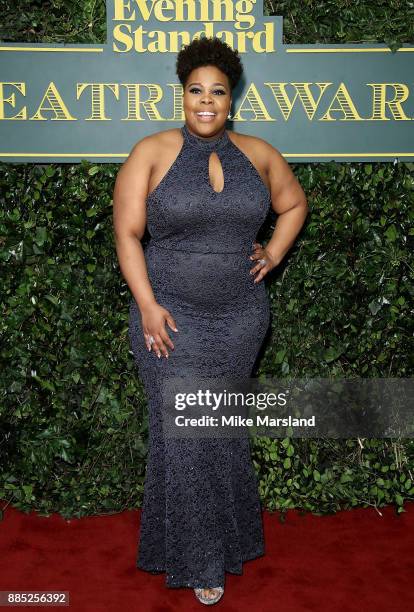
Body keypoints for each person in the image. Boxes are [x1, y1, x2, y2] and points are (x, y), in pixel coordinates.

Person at [113, 36, 308, 605]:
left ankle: (224, 540)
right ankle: (202, 561)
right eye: (196, 90)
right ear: (182, 94)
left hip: (242, 318)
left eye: (217, 92)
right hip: (170, 316)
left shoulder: (259, 153)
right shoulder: (150, 151)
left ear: (231, 99)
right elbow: (127, 234)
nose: (206, 101)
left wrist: (272, 252)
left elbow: (294, 204)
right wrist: (148, 305)